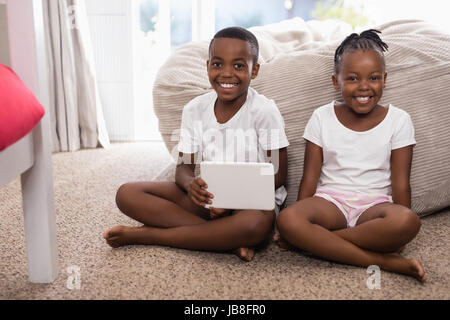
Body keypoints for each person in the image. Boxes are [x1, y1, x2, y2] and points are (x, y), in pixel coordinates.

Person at [103, 27, 289, 262]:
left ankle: (150, 235)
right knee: (127, 194)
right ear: (208, 65)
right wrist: (191, 184)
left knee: (254, 225)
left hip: (252, 202)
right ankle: (226, 240)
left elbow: (279, 174)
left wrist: (231, 199)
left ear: (255, 70)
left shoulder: (264, 111)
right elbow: (183, 168)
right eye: (218, 64)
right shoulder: (194, 109)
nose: (227, 73)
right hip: (210, 198)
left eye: (239, 66)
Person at [276, 29, 425, 281]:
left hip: (374, 206)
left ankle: (317, 242)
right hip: (330, 203)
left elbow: (401, 184)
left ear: (384, 79)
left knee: (408, 221)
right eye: (353, 79)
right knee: (289, 219)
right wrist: (300, 217)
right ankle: (382, 261)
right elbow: (310, 179)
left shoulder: (399, 120)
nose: (364, 87)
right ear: (337, 82)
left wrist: (398, 233)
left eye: (374, 78)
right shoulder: (321, 117)